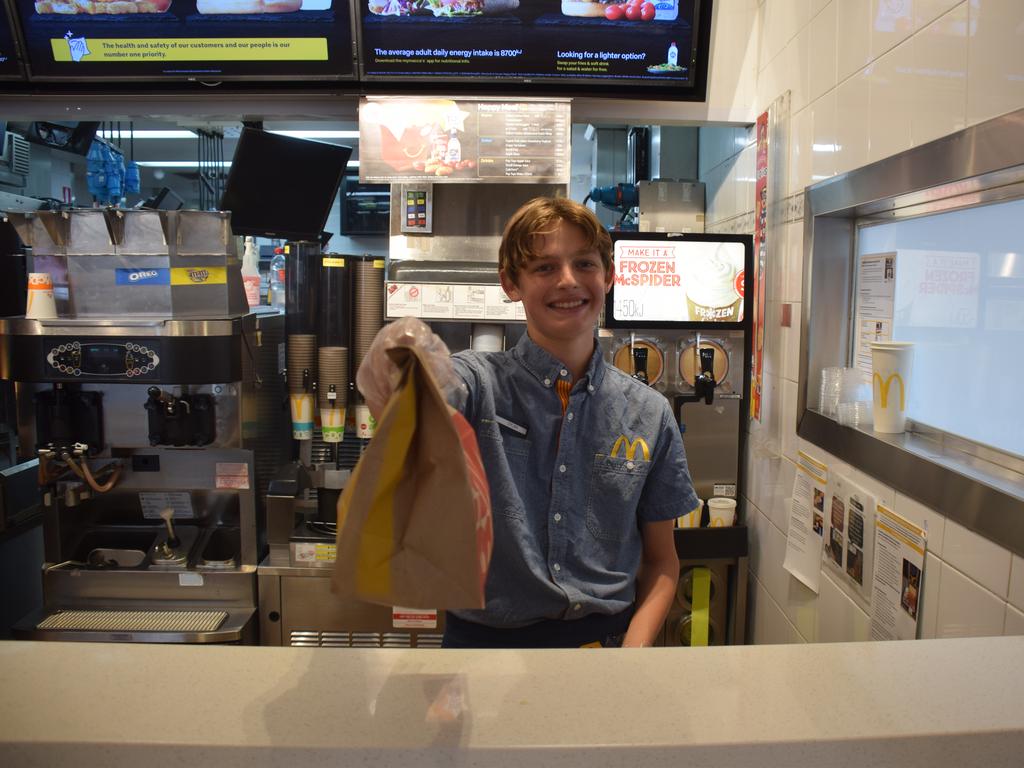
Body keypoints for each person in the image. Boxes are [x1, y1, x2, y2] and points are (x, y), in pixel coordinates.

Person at [358, 197, 700, 648]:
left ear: (609, 276)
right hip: (483, 650)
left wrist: (631, 656)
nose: (568, 281)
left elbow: (661, 563)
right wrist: (397, 362)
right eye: (543, 267)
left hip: (603, 649)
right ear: (510, 283)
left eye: (584, 263)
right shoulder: (478, 384)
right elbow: (415, 401)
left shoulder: (649, 412)